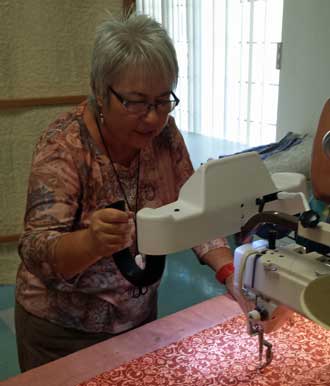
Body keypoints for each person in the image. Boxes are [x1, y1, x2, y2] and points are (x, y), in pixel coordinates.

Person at [15, 13, 289, 372]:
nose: (153, 118)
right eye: (137, 102)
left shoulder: (164, 135)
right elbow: (36, 251)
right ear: (101, 92)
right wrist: (92, 242)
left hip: (138, 319)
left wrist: (233, 277)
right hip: (63, 331)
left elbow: (196, 212)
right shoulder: (63, 147)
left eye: (163, 101)